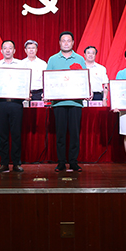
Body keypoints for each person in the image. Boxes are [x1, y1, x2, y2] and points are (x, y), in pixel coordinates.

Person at [46, 31, 87, 173]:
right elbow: (49, 79)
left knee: (75, 134)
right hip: (59, 103)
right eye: (63, 40)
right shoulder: (52, 59)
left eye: (68, 40)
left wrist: (86, 92)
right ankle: (61, 162)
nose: (66, 43)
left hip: (75, 103)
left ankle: (73, 162)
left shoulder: (80, 59)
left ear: (73, 43)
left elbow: (83, 79)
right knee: (60, 134)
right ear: (59, 43)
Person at [0, 40, 25, 173]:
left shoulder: (21, 65)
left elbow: (24, 81)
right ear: (1, 51)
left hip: (16, 103)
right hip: (0, 103)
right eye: (5, 48)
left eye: (10, 48)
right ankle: (4, 163)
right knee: (3, 135)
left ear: (14, 50)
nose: (7, 50)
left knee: (16, 134)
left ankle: (16, 163)